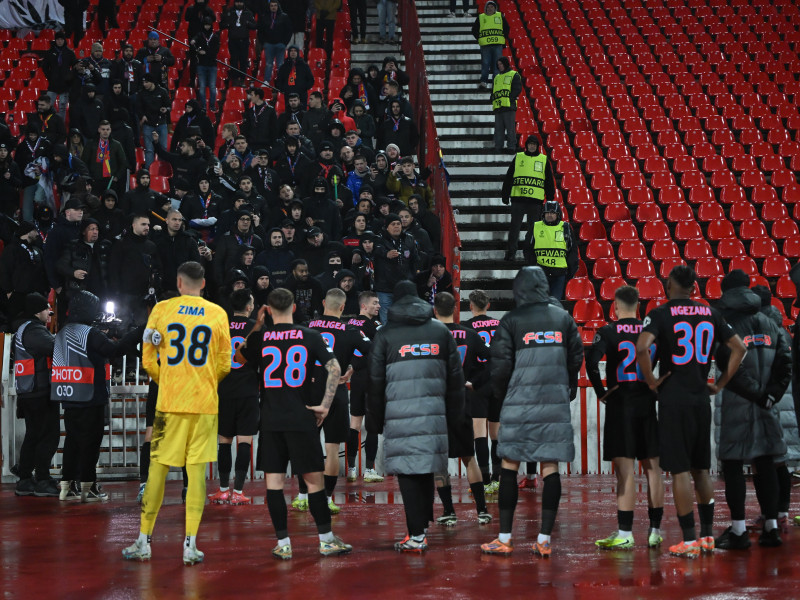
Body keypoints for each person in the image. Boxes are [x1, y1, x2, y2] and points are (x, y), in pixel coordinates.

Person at [122, 261, 232, 565]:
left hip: (168, 405)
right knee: (196, 474)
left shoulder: (162, 310)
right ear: (204, 284)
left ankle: (144, 541)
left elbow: (147, 360)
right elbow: (225, 364)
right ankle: (190, 545)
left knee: (157, 470)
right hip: (204, 406)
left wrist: (169, 381)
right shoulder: (217, 313)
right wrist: (203, 382)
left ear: (179, 283)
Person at [636, 265, 746, 559]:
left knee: (680, 470)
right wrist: (719, 384)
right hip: (700, 398)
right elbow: (739, 348)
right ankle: (708, 536)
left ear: (669, 284)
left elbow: (642, 347)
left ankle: (688, 539)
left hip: (674, 399)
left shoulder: (660, 314)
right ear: (694, 287)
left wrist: (651, 382)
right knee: (701, 469)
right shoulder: (711, 313)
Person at [237, 287, 351, 559]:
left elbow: (239, 356)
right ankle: (326, 541)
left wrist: (257, 326)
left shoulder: (262, 337)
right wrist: (325, 404)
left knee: (274, 484)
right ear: (295, 308)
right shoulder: (310, 335)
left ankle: (283, 544)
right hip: (302, 418)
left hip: (271, 421)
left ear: (267, 309)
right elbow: (335, 368)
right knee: (314, 483)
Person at [481, 266, 583, 557]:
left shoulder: (511, 320)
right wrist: (565, 384)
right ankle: (544, 539)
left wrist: (504, 395)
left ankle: (504, 538)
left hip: (519, 402)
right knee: (550, 467)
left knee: (510, 466)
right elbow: (576, 357)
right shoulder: (563, 318)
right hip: (554, 402)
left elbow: (500, 366)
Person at [368, 280, 465, 552]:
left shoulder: (385, 335)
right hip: (435, 414)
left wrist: (374, 421)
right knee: (426, 468)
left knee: (408, 472)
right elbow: (456, 378)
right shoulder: (440, 331)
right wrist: (456, 416)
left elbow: (374, 382)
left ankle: (417, 535)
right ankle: (421, 528)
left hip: (398, 414)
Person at [712, 270, 792, 549]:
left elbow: (729, 366)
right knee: (766, 463)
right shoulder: (770, 323)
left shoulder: (725, 323)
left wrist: (757, 394)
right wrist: (770, 396)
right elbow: (785, 364)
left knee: (733, 465)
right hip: (766, 406)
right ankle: (771, 528)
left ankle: (738, 531)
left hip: (738, 404)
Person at [585, 285, 665, 550]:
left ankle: (625, 533)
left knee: (626, 471)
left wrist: (602, 393)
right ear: (638, 306)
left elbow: (591, 362)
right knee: (653, 469)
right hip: (646, 402)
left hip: (620, 404)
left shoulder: (608, 331)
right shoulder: (651, 331)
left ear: (616, 307)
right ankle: (655, 531)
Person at [53, 291, 143, 502]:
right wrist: (137, 333)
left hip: (69, 394)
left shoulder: (62, 332)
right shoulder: (89, 333)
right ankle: (89, 486)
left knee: (72, 441)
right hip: (90, 396)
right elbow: (114, 350)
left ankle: (67, 485)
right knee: (90, 443)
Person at [307, 289, 372, 512]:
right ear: (343, 307)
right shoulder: (351, 330)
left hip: (310, 391)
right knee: (332, 449)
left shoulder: (308, 327)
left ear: (323, 303)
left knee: (308, 445)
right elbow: (373, 351)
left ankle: (303, 495)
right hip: (336, 391)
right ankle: (326, 499)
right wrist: (353, 367)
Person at [432, 292, 492, 527]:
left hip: (438, 403)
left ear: (435, 310)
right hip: (463, 401)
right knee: (469, 458)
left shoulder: (430, 335)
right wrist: (475, 382)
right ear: (456, 309)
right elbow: (492, 360)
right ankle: (482, 510)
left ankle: (449, 511)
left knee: (439, 462)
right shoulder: (470, 334)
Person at [208, 289, 261, 505]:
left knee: (224, 442)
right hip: (248, 391)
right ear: (249, 307)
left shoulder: (220, 326)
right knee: (244, 442)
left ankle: (222, 490)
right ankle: (238, 492)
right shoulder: (257, 328)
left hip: (224, 391)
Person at [12, 293, 58, 497]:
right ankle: (42, 479)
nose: (50, 311)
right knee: (48, 435)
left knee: (34, 434)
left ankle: (25, 478)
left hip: (29, 390)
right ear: (37, 311)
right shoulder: (34, 330)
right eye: (47, 308)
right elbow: (55, 348)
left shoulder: (23, 329)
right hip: (39, 391)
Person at [461, 289, 501, 490]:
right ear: (488, 305)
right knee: (496, 434)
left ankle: (485, 481)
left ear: (470, 306)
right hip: (497, 382)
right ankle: (497, 479)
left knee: (479, 434)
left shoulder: (465, 327)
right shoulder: (500, 325)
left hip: (476, 384)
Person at [345, 291, 383, 482]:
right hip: (372, 377)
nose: (379, 306)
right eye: (375, 303)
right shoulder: (374, 325)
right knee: (372, 424)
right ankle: (369, 470)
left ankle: (351, 469)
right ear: (364, 305)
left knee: (355, 423)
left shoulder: (349, 324)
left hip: (357, 378)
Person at [502, 135, 555, 261]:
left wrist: (550, 198)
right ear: (526, 145)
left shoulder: (543, 159)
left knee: (533, 230)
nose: (532, 146)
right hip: (518, 199)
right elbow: (509, 177)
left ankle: (529, 253)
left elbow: (549, 181)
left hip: (535, 201)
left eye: (534, 144)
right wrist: (505, 194)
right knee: (515, 227)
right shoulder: (519, 157)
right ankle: (511, 252)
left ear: (537, 146)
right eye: (530, 144)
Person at [528, 200, 578, 300]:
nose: (549, 215)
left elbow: (573, 251)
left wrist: (570, 272)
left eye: (552, 213)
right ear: (543, 214)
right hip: (541, 273)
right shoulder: (536, 226)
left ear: (558, 214)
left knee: (555, 303)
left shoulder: (565, 227)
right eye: (547, 213)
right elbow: (528, 249)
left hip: (559, 275)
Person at [81, 121, 128, 197]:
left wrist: (117, 177)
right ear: (99, 130)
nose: (105, 132)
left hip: (111, 181)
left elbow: (123, 162)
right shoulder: (91, 144)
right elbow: (84, 162)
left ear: (110, 130)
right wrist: (89, 177)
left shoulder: (116, 145)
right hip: (95, 180)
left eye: (107, 129)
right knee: (95, 203)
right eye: (103, 129)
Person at [472, 1, 509, 88]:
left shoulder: (500, 16)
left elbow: (507, 28)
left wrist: (502, 37)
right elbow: (474, 30)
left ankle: (496, 83)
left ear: (495, 8)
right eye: (488, 7)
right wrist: (480, 39)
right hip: (485, 45)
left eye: (492, 7)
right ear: (485, 8)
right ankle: (483, 81)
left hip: (497, 45)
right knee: (485, 64)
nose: (490, 9)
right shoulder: (481, 17)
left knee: (497, 64)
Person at [222, 0, 258, 86]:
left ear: (243, 3)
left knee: (243, 61)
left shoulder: (248, 13)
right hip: (233, 40)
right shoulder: (230, 12)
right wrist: (229, 24)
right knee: (233, 61)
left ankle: (242, 80)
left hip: (244, 40)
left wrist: (247, 23)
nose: (239, 4)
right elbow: (222, 24)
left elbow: (254, 26)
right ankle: (234, 80)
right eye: (237, 2)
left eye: (240, 2)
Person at [190, 17, 221, 111]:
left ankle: (212, 106)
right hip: (201, 65)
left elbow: (216, 51)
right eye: (205, 25)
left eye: (208, 25)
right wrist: (193, 41)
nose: (207, 27)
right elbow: (194, 39)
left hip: (212, 65)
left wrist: (206, 53)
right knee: (202, 87)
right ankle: (203, 106)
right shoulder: (200, 35)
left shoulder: (215, 37)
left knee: (212, 87)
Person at [491, 56, 520, 153]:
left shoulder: (513, 74)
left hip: (509, 106)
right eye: (498, 64)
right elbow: (493, 90)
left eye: (501, 64)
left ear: (505, 64)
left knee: (510, 128)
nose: (499, 66)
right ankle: (498, 147)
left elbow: (517, 89)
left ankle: (511, 147)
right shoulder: (496, 77)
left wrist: (510, 98)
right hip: (498, 106)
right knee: (498, 129)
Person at [259, 0, 292, 83]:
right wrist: (264, 43)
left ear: (278, 6)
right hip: (268, 45)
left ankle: (281, 82)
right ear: (269, 7)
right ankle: (266, 81)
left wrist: (284, 43)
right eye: (272, 6)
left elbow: (288, 31)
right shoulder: (264, 17)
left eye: (275, 5)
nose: (273, 7)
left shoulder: (284, 17)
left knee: (280, 64)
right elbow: (260, 31)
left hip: (280, 45)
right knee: (268, 64)